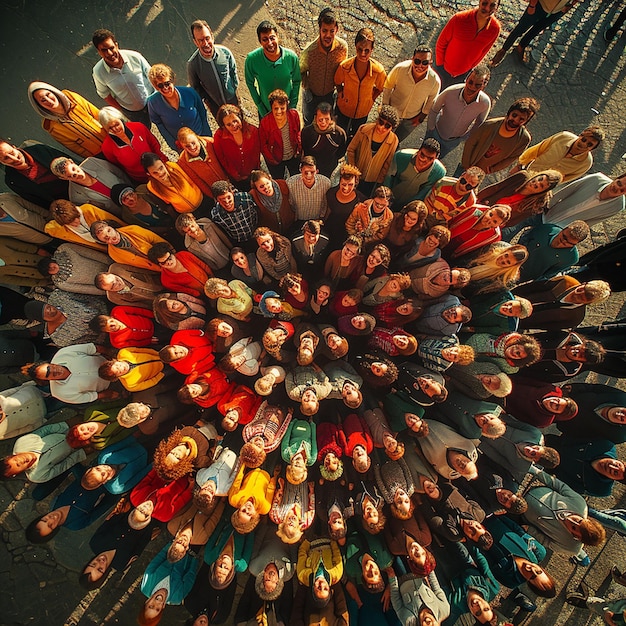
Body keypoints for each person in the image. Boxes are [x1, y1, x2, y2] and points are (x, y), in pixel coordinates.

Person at [489, 0, 582, 67]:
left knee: (536, 30)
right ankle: (504, 49)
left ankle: (521, 46)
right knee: (521, 28)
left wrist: (571, 5)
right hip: (539, 5)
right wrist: (532, 5)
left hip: (557, 11)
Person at [425, 65, 491, 158]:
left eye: (478, 85)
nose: (472, 87)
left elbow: (479, 123)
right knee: (422, 156)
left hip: (453, 141)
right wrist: (431, 129)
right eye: (470, 82)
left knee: (437, 159)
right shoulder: (451, 91)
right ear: (466, 79)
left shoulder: (485, 103)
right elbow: (434, 109)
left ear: (484, 86)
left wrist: (463, 138)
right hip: (435, 132)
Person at [91, 28, 154, 126]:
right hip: (132, 113)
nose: (109, 53)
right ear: (98, 52)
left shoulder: (135, 57)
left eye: (111, 48)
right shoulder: (98, 72)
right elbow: (105, 95)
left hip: (152, 102)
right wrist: (122, 112)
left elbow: (152, 75)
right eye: (104, 50)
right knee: (145, 136)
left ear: (116, 45)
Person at [27, 81, 107, 158]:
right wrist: (100, 156)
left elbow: (97, 114)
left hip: (112, 136)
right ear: (40, 106)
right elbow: (77, 149)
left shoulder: (72, 98)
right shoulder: (52, 127)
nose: (49, 101)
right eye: (43, 100)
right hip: (101, 154)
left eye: (48, 94)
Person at [461, 97, 539, 174]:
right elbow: (470, 143)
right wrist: (466, 165)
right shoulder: (489, 125)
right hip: (467, 165)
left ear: (526, 121)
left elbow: (511, 158)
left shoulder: (523, 140)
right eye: (514, 115)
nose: (516, 120)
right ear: (509, 113)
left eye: (521, 119)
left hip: (482, 173)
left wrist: (492, 169)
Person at [334, 27, 387, 141]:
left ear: (372, 49)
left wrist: (371, 98)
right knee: (339, 135)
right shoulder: (345, 66)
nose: (363, 53)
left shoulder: (378, 71)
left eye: (366, 50)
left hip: (362, 112)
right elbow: (338, 81)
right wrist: (341, 93)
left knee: (356, 137)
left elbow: (380, 87)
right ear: (355, 47)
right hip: (344, 109)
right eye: (359, 49)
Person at [434, 0, 501, 89]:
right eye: (485, 3)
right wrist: (440, 65)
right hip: (442, 70)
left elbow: (483, 52)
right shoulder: (459, 18)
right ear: (480, 1)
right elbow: (441, 43)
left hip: (463, 74)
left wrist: (469, 68)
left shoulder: (495, 29)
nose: (487, 8)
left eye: (492, 5)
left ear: (497, 7)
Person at [383, 44, 441, 142]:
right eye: (417, 61)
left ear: (430, 63)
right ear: (412, 58)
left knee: (395, 142)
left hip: (411, 119)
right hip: (392, 113)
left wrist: (420, 119)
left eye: (425, 62)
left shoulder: (435, 81)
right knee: (381, 139)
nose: (420, 66)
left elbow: (432, 100)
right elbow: (388, 87)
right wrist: (385, 109)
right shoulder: (400, 69)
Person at [299, 8, 348, 125]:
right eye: (324, 30)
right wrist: (307, 87)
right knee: (308, 122)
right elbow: (300, 70)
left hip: (330, 95)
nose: (328, 35)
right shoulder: (310, 51)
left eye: (332, 31)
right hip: (311, 96)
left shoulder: (342, 48)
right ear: (319, 30)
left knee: (326, 124)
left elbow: (342, 70)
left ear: (336, 29)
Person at [147, 63, 211, 151]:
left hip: (202, 139)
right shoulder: (153, 103)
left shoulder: (190, 92)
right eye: (160, 85)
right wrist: (174, 145)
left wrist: (208, 137)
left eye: (167, 83)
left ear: (172, 80)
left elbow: (203, 114)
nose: (165, 88)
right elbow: (160, 126)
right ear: (155, 87)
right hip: (182, 147)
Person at [245, 20, 301, 117]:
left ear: (277, 37)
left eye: (272, 38)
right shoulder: (252, 59)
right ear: (260, 41)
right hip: (266, 112)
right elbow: (250, 83)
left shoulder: (291, 57)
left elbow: (297, 81)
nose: (270, 43)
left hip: (286, 111)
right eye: (265, 39)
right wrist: (260, 107)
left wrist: (292, 106)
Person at [186, 20, 240, 121]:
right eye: (201, 40)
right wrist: (208, 100)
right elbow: (196, 89)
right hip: (217, 108)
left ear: (212, 36)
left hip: (234, 101)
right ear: (195, 42)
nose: (206, 43)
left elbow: (233, 72)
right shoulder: (193, 64)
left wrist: (232, 89)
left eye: (207, 38)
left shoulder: (225, 53)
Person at [513, 125, 604, 183]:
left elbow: (565, 179)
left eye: (589, 145)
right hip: (526, 172)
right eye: (584, 140)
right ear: (580, 135)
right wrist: (520, 164)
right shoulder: (563, 137)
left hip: (539, 186)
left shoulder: (586, 163)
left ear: (592, 149)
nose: (583, 144)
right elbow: (538, 149)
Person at [1, 422, 87, 483]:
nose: (21, 460)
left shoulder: (22, 442)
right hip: (76, 448)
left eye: (15, 460)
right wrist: (85, 449)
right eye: (19, 466)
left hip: (68, 430)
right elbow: (66, 464)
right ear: (15, 474)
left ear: (10, 456)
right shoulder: (38, 476)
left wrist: (71, 425)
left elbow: (47, 430)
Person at [99, 106, 165, 183]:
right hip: (142, 179)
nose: (115, 129)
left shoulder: (138, 127)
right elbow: (118, 166)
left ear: (120, 119)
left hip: (160, 169)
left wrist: (164, 162)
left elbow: (154, 145)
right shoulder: (107, 147)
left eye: (117, 124)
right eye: (110, 128)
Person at [540, 171, 626, 229]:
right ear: (616, 179)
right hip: (546, 212)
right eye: (619, 183)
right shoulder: (596, 179)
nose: (616, 188)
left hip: (559, 228)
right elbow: (567, 190)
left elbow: (591, 222)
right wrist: (546, 206)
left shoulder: (618, 206)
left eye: (622, 190)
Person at [49, 155, 132, 215]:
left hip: (133, 192)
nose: (76, 175)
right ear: (63, 179)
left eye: (74, 169)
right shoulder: (75, 197)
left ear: (72, 161)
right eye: (70, 176)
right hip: (125, 213)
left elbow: (119, 173)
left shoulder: (92, 162)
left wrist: (133, 188)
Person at [346, 105, 399, 197]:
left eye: (387, 126)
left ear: (392, 128)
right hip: (356, 175)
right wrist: (353, 172)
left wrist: (379, 180)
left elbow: (388, 162)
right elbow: (351, 150)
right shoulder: (363, 130)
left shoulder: (394, 140)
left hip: (372, 180)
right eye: (381, 122)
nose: (381, 127)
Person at [0, 139, 69, 208]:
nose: (15, 159)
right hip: (66, 204)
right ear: (1, 162)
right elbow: (40, 202)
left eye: (12, 153)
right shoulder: (12, 181)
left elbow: (70, 162)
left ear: (14, 147)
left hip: (76, 183)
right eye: (6, 158)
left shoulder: (39, 150)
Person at [517, 220, 589, 283]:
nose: (562, 242)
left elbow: (548, 275)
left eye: (569, 243)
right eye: (564, 236)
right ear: (563, 229)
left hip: (522, 276)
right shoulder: (547, 228)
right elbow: (525, 238)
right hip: (513, 259)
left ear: (576, 244)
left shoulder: (571, 258)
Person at [384, 138, 446, 209]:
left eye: (429, 158)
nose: (423, 160)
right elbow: (388, 177)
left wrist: (409, 208)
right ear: (418, 151)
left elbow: (424, 193)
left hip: (410, 205)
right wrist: (386, 198)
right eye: (422, 155)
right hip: (389, 196)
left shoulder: (439, 172)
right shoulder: (401, 156)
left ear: (436, 158)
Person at [142, 152, 207, 216]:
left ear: (163, 163)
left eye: (161, 168)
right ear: (149, 174)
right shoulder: (151, 187)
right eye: (155, 173)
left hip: (203, 200)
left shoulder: (173, 166)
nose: (160, 173)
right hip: (188, 214)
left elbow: (192, 179)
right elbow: (166, 206)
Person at [213, 104, 261, 189]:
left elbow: (257, 153)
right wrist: (235, 175)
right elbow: (222, 159)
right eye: (229, 124)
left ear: (240, 117)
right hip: (235, 178)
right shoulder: (219, 137)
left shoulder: (253, 130)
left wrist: (255, 172)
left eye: (235, 121)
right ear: (224, 126)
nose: (234, 125)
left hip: (253, 174)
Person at [90, 220, 166, 271]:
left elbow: (158, 240)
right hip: (159, 270)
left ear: (112, 227)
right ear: (104, 242)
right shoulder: (113, 254)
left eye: (109, 231)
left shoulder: (133, 229)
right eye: (106, 238)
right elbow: (135, 268)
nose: (111, 236)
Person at [259, 89, 302, 180]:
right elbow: (263, 145)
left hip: (293, 156)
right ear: (271, 108)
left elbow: (298, 132)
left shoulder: (294, 115)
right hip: (276, 160)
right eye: (276, 108)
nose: (279, 111)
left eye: (282, 108)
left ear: (287, 106)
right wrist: (271, 159)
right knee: (280, 181)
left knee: (296, 179)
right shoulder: (265, 122)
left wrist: (298, 149)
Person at [176, 127, 229, 199]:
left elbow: (224, 160)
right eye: (187, 146)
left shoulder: (210, 142)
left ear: (197, 137)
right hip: (217, 192)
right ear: (182, 146)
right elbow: (198, 182)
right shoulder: (183, 162)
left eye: (193, 143)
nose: (192, 147)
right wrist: (213, 196)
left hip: (229, 180)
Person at [148, 242, 212, 299]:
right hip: (204, 295)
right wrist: (204, 295)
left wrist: (212, 277)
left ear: (172, 253)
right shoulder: (166, 281)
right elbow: (187, 291)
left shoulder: (184, 255)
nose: (169, 262)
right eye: (163, 262)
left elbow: (203, 265)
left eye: (169, 258)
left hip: (212, 280)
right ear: (159, 264)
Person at [301, 102, 348, 179]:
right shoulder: (307, 132)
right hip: (312, 167)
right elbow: (305, 149)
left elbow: (341, 151)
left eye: (327, 119)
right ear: (316, 118)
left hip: (330, 167)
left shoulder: (339, 133)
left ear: (331, 118)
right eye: (320, 119)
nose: (323, 122)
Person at [209, 180, 259, 244]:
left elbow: (257, 211)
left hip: (256, 234)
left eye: (228, 197)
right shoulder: (216, 214)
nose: (227, 202)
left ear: (232, 193)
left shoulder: (246, 198)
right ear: (216, 200)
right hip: (239, 242)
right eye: (222, 200)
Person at [286, 155, 331, 223]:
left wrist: (322, 219)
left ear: (317, 171)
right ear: (300, 170)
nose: (309, 176)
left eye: (312, 172)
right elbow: (290, 204)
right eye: (306, 172)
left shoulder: (326, 183)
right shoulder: (290, 183)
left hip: (317, 220)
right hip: (298, 221)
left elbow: (326, 204)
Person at [96, 263, 162, 309]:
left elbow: (139, 269)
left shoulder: (116, 267)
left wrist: (161, 271)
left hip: (157, 280)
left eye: (115, 279)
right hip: (154, 300)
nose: (118, 284)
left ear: (111, 273)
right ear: (108, 290)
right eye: (113, 286)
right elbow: (138, 305)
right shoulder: (113, 297)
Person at [249, 170, 294, 235]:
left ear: (270, 179)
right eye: (261, 187)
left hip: (291, 227)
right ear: (256, 188)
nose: (266, 188)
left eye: (267, 183)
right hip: (272, 233)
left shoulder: (283, 185)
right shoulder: (253, 196)